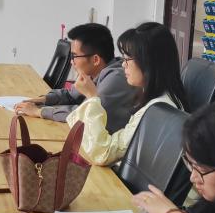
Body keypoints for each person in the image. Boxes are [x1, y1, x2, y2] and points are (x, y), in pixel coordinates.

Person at [65, 22, 187, 166]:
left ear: (148, 62)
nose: (123, 64)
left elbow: (103, 154)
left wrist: (92, 97)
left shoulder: (157, 110)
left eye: (128, 59)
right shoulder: (158, 98)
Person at [13, 23, 141, 133]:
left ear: (95, 60)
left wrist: (39, 112)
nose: (71, 62)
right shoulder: (94, 73)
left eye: (74, 56)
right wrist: (42, 100)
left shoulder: (116, 78)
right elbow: (71, 95)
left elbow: (82, 114)